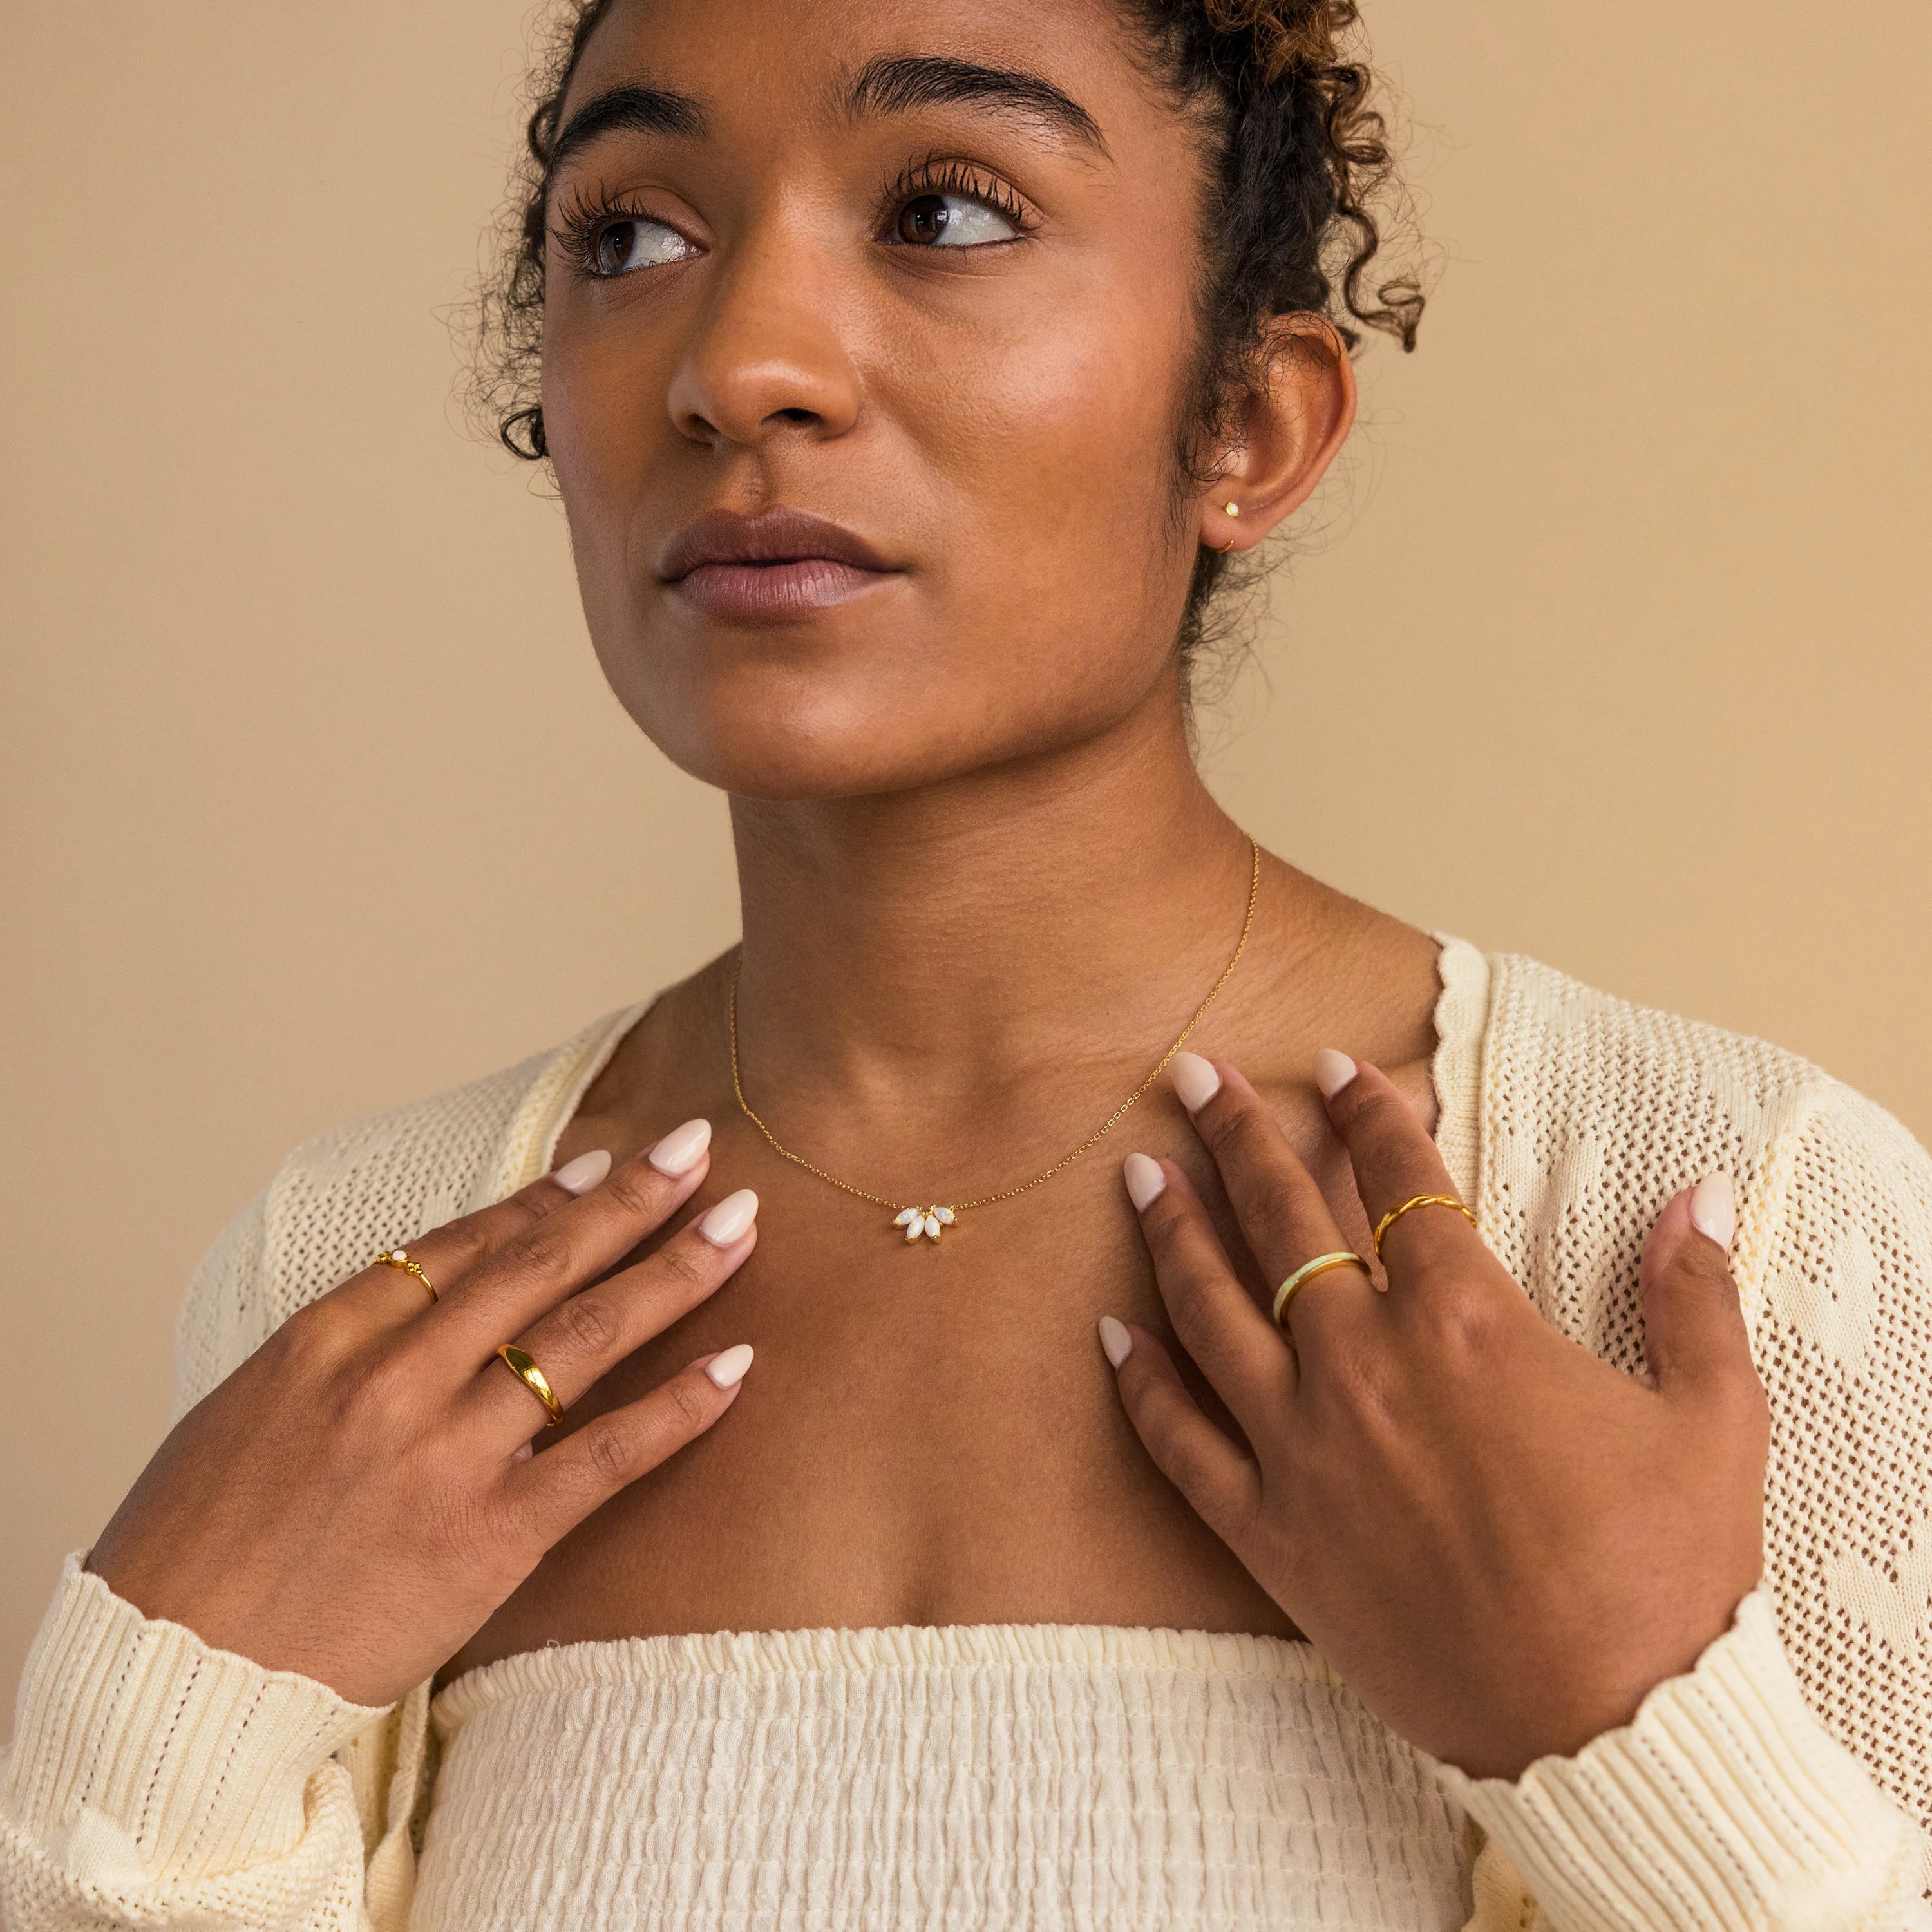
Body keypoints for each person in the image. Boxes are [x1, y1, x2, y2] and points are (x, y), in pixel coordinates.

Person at [4, 0, 1928, 1925]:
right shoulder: (350, 1281)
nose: (740, 365)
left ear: (1247, 425)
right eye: (634, 235)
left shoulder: (1716, 1224)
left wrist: (1641, 1742)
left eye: (945, 209)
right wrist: (138, 1774)